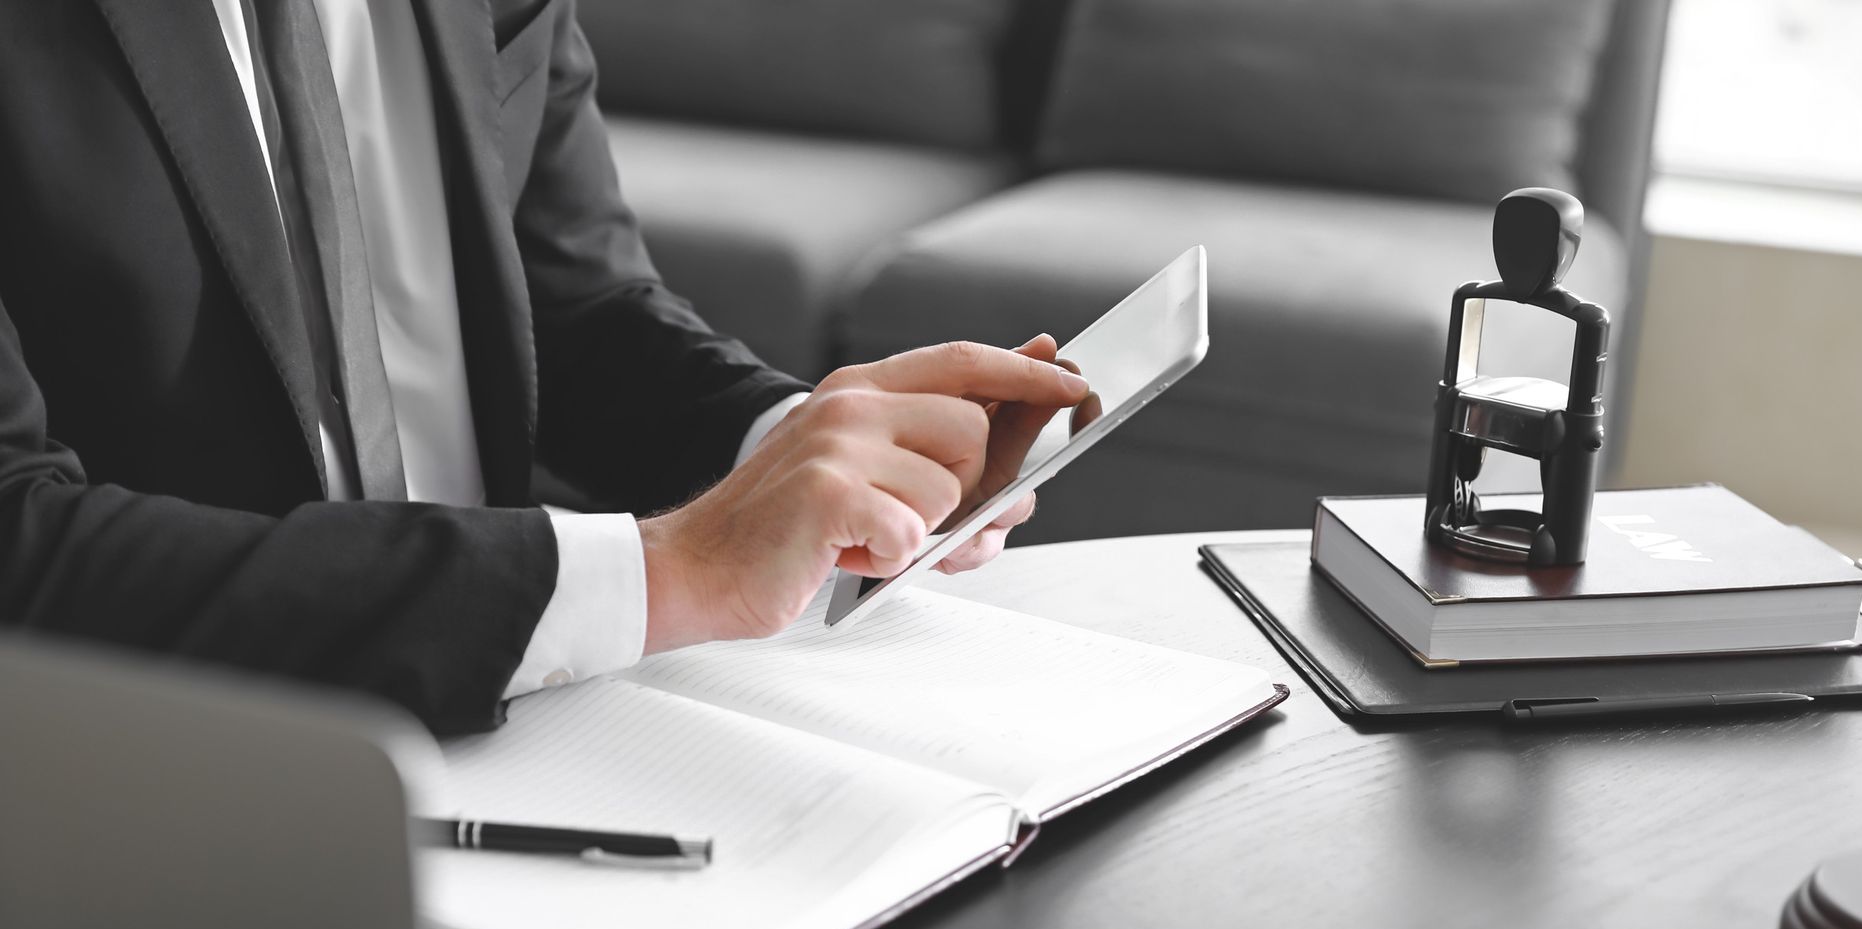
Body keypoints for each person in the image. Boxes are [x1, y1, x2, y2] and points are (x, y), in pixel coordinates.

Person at [0, 0, 1088, 733]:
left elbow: (571, 306)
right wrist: (669, 570)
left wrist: (791, 450)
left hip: (529, 717)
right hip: (159, 762)